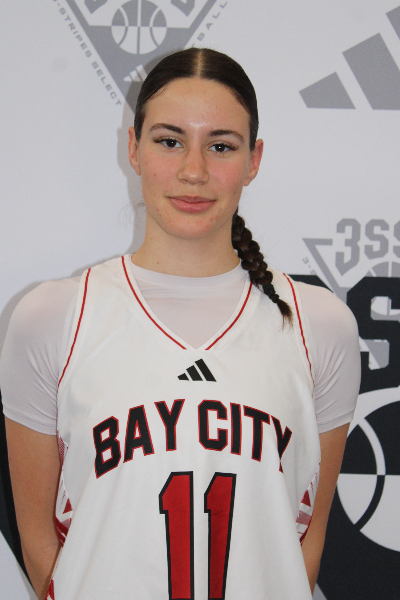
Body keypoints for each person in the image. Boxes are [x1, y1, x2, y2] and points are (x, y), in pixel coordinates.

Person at [1, 48, 360, 600]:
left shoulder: (319, 325)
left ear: (254, 159)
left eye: (221, 146)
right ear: (133, 149)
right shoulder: (52, 318)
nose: (194, 171)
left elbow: (305, 543)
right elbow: (40, 545)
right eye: (170, 141)